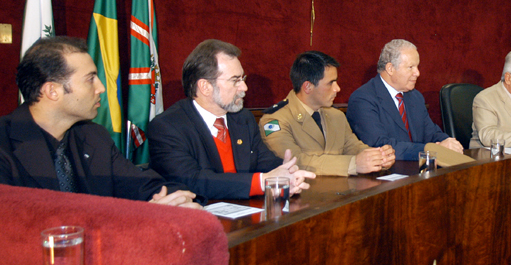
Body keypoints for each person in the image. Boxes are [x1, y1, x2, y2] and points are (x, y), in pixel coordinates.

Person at [0, 37, 199, 208]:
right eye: (90, 79)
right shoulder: (5, 144)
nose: (101, 88)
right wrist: (140, 215)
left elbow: (147, 187)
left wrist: (175, 199)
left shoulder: (94, 137)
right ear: (52, 91)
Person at [149, 39, 315, 199]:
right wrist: (262, 182)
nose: (244, 87)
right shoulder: (168, 126)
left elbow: (264, 162)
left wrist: (287, 172)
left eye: (242, 79)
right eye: (235, 80)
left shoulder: (243, 119)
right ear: (205, 87)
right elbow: (192, 180)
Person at [261, 51, 395, 176]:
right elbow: (294, 162)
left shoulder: (336, 116)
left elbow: (353, 146)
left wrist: (378, 157)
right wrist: (353, 164)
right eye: (330, 83)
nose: (337, 88)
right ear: (308, 87)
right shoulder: (275, 120)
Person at [346, 39, 463, 161]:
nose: (417, 73)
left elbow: (431, 133)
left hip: (417, 169)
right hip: (385, 173)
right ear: (390, 68)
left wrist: (448, 142)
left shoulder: (415, 97)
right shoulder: (363, 99)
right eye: (410, 67)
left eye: (417, 66)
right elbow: (380, 145)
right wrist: (431, 150)